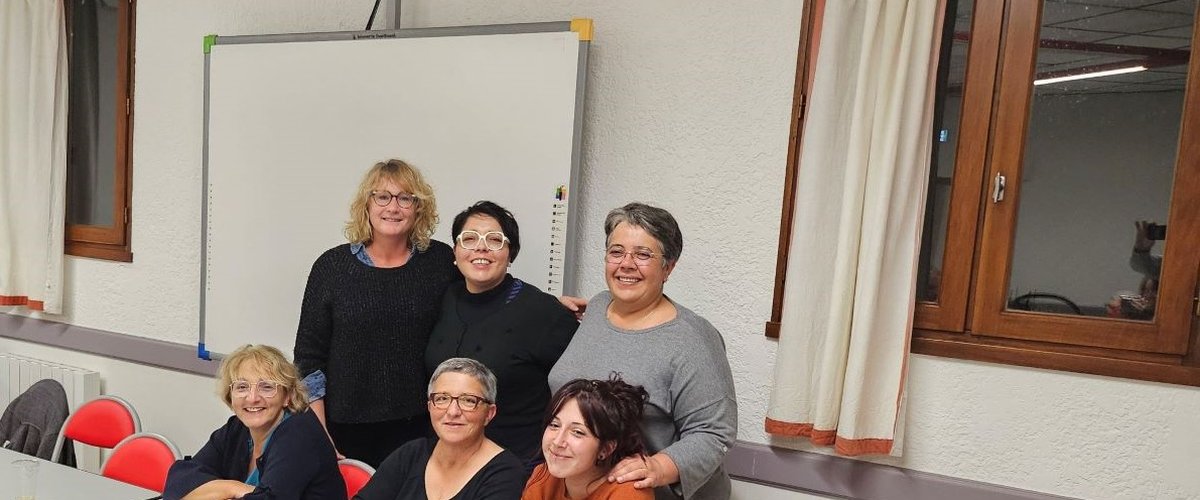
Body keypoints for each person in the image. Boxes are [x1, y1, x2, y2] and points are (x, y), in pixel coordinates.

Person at [549, 203, 737, 500]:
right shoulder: (597, 307)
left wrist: (657, 467)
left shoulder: (694, 339)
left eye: (643, 254)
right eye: (616, 251)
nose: (626, 263)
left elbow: (713, 434)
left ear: (668, 267)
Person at [294, 159, 458, 467]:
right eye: (382, 196)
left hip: (421, 425)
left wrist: (548, 304)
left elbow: (484, 288)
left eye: (405, 198)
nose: (393, 207)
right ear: (366, 205)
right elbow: (308, 358)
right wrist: (319, 433)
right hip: (344, 428)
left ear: (418, 208)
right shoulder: (331, 268)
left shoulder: (439, 262)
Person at [426, 201, 578, 468]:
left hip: (515, 466)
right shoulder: (444, 299)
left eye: (495, 240)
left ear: (511, 253)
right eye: (469, 239)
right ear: (455, 251)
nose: (481, 247)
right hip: (448, 461)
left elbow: (579, 391)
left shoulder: (544, 313)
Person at [164, 344, 344, 500]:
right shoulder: (237, 429)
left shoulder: (299, 435)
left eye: (267, 387)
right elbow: (179, 480)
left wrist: (212, 492)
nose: (252, 398)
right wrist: (232, 487)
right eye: (242, 387)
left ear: (287, 396)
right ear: (231, 395)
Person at [354, 358, 526, 499]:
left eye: (468, 400)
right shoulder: (411, 454)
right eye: (442, 398)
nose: (452, 412)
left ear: (489, 413)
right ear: (429, 406)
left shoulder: (506, 473)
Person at [523, 376, 655, 500]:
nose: (557, 442)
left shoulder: (629, 494)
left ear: (606, 449)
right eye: (554, 425)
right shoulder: (542, 476)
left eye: (577, 432)